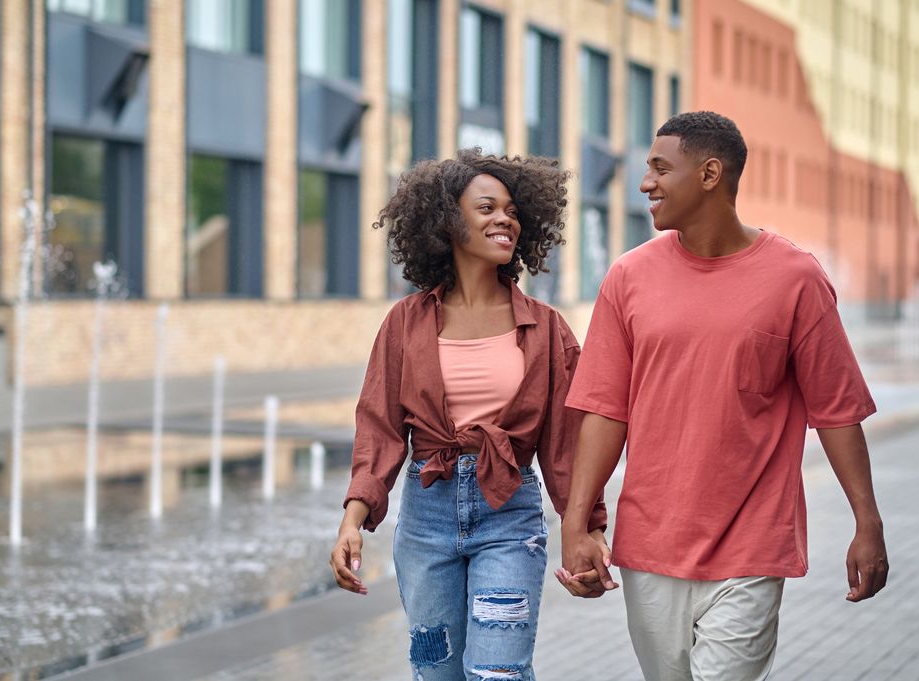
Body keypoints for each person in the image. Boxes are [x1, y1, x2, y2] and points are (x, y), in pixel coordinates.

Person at [556, 111, 889, 681]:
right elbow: (605, 409)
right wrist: (575, 522)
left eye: (661, 168)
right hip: (651, 543)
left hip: (751, 547)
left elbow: (836, 411)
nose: (645, 183)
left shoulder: (795, 279)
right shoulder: (628, 277)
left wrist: (868, 523)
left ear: (710, 174)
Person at [330, 148, 607, 681]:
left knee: (497, 673)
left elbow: (568, 446)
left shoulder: (547, 329)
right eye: (486, 208)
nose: (504, 218)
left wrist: (588, 527)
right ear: (447, 223)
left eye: (511, 210)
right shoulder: (405, 323)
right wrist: (353, 519)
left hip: (510, 515)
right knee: (435, 673)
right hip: (426, 517)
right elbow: (380, 427)